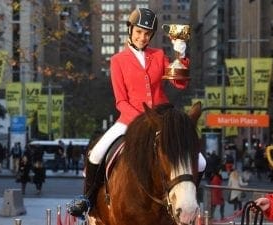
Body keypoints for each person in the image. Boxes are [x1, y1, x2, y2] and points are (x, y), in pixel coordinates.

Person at [69, 8, 206, 217]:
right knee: (96, 154)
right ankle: (87, 199)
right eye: (139, 32)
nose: (142, 38)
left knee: (201, 161)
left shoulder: (158, 55)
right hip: (129, 118)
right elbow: (121, 100)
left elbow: (179, 83)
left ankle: (189, 195)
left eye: (147, 34)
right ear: (130, 30)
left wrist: (181, 53)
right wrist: (142, 121)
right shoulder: (117, 60)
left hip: (162, 117)